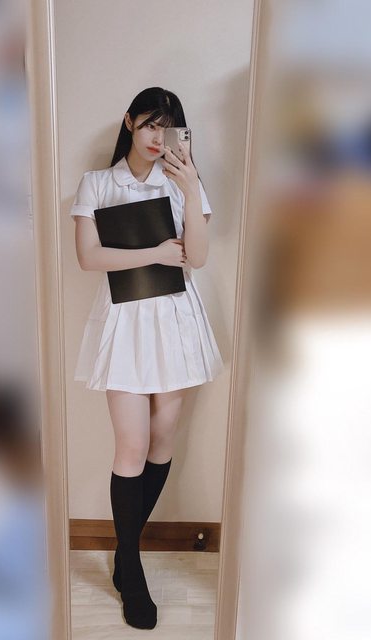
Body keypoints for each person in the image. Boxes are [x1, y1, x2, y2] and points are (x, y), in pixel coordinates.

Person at [69, 87, 224, 629]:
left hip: (175, 320)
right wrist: (155, 252)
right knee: (131, 445)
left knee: (161, 442)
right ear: (129, 122)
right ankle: (131, 569)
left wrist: (191, 186)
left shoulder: (184, 181)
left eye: (169, 126)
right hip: (125, 320)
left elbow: (196, 256)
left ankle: (124, 552)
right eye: (151, 124)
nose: (159, 137)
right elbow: (89, 257)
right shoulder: (97, 183)